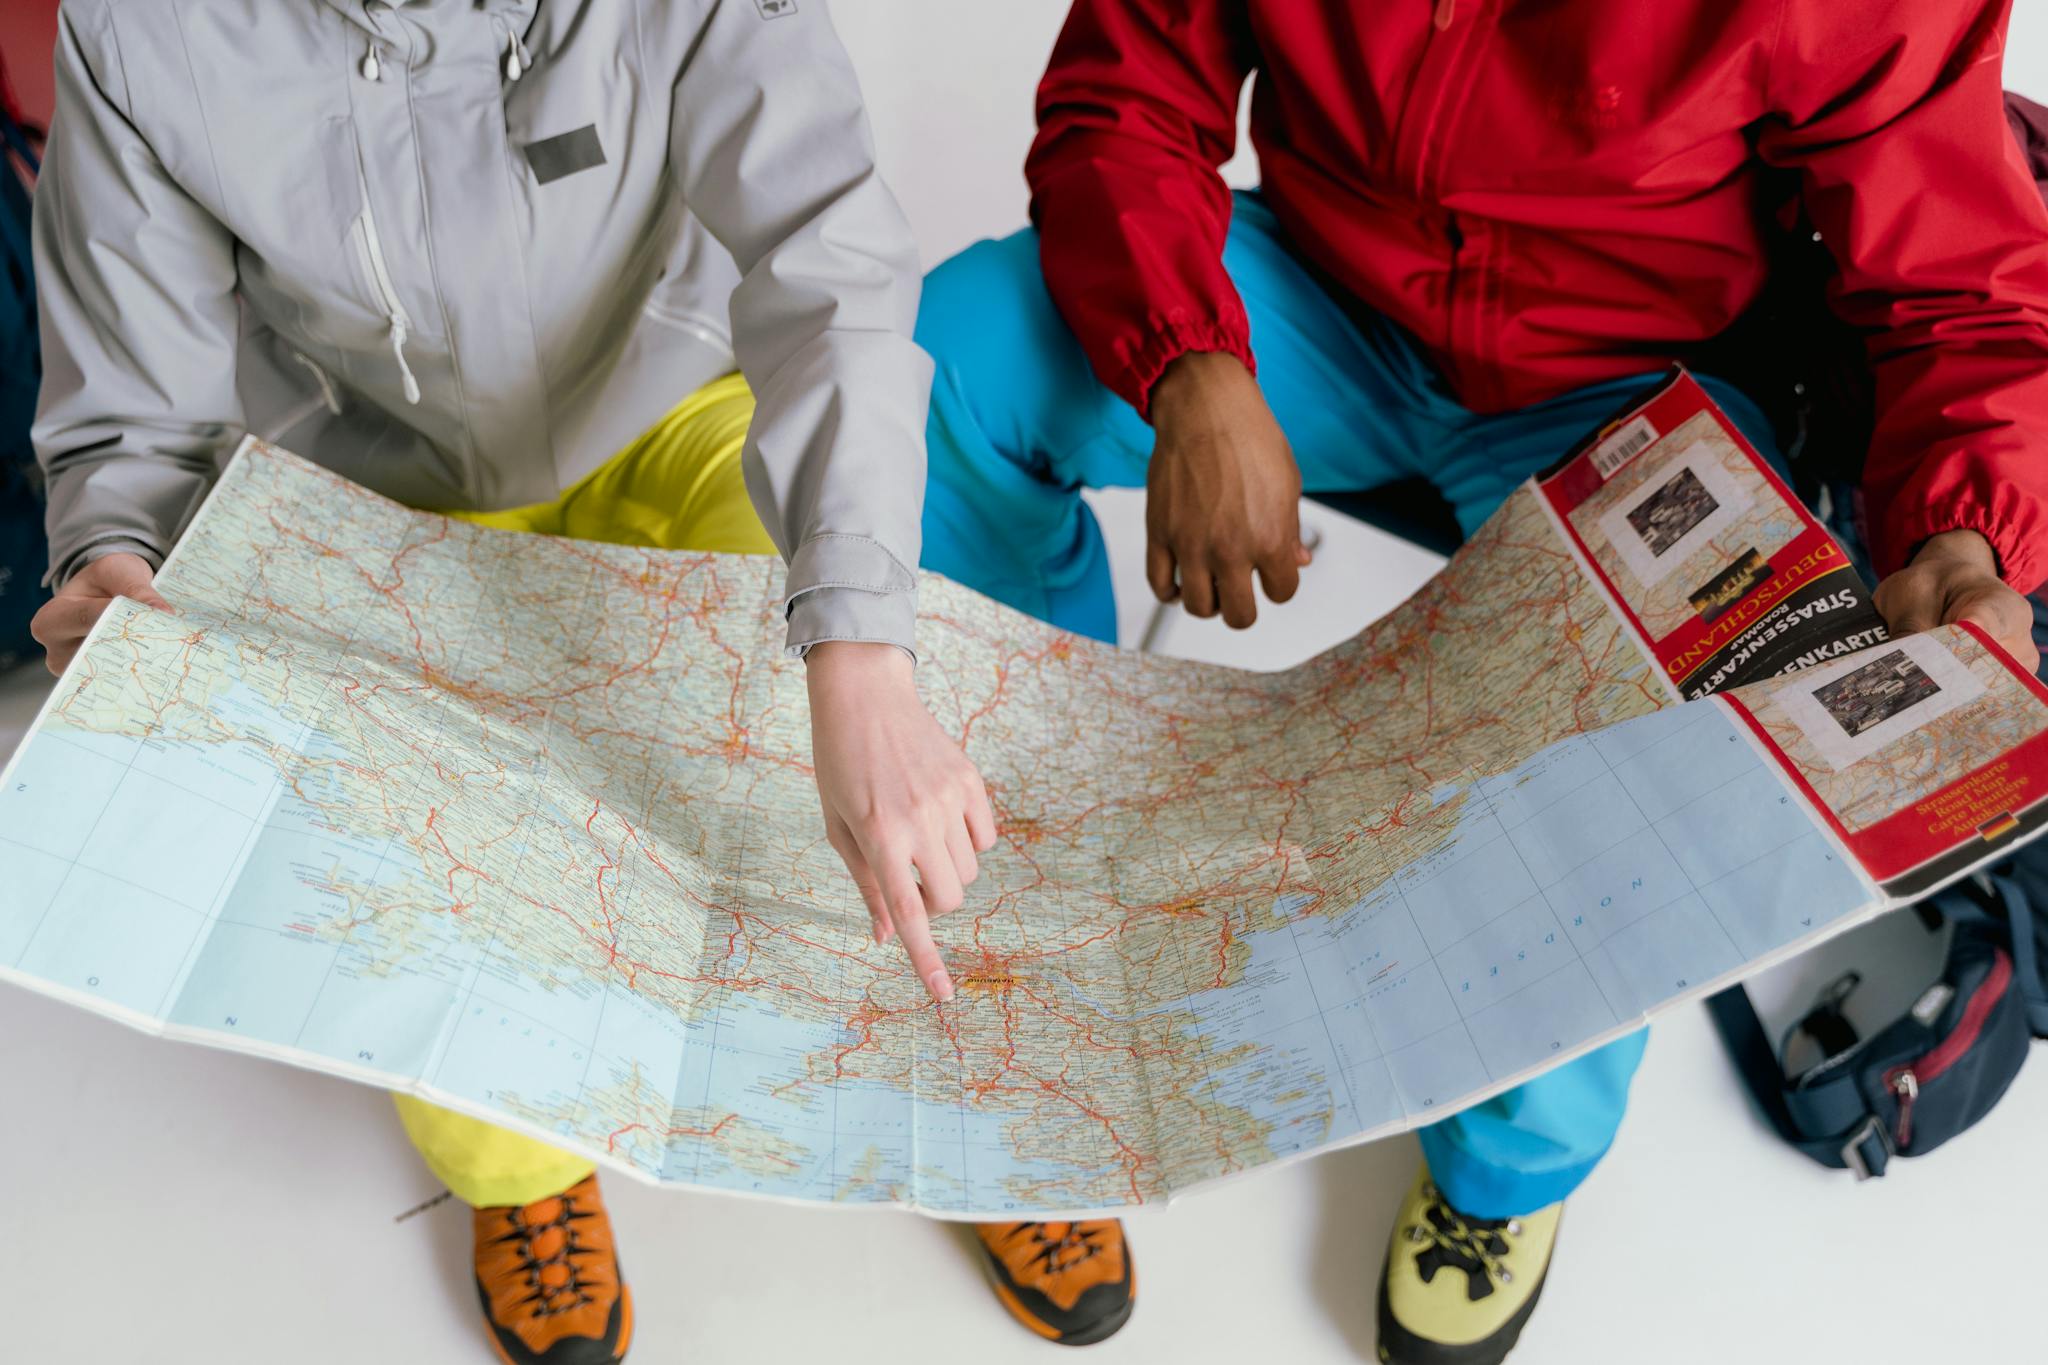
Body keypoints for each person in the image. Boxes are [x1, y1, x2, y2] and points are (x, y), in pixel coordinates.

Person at [915, 0, 2048, 1359]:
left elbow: (1959, 283)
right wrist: (1190, 359)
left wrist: (1966, 533)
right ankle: (1015, 862)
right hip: (1323, 298)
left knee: (1644, 739)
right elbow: (1130, 82)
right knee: (940, 363)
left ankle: (1503, 1175)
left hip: (1623, 375)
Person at [27, 2, 993, 1362]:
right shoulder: (138, 30)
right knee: (427, 886)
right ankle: (523, 1181)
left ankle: (995, 1097)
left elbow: (824, 257)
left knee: (880, 668)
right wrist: (121, 560)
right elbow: (134, 404)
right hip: (377, 482)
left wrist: (862, 654)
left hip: (674, 398)